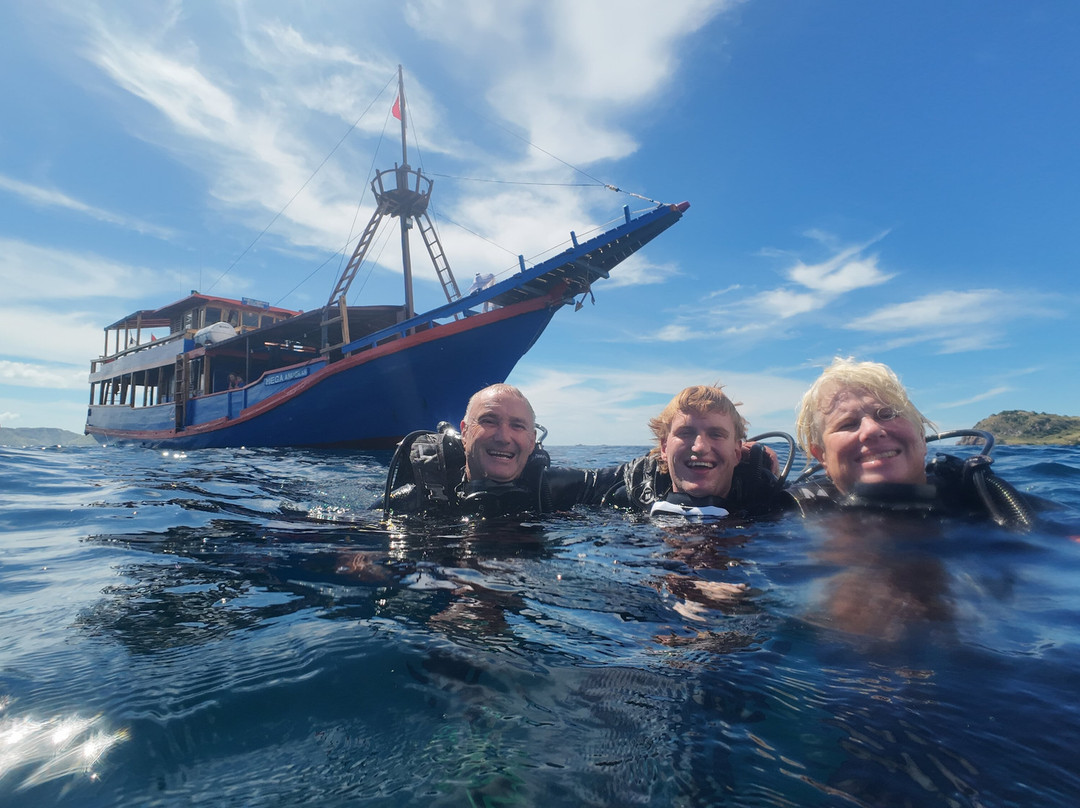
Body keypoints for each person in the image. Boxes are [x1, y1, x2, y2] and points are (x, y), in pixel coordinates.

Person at [382, 383, 791, 520]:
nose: (504, 436)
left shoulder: (770, 502)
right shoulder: (419, 495)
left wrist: (752, 465)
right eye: (490, 421)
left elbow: (618, 477)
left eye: (518, 425)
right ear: (465, 431)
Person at [791, 357, 1038, 528]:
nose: (872, 430)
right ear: (821, 455)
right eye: (847, 424)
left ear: (921, 436)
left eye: (887, 414)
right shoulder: (792, 510)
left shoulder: (988, 502)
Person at [600, 385, 793, 518]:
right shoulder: (631, 496)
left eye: (716, 434)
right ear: (665, 448)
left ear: (737, 452)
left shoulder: (775, 505)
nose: (699, 447)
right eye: (685, 433)